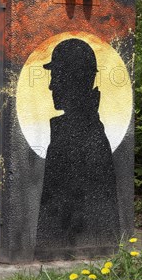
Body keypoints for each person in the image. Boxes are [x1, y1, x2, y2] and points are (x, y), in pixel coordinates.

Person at [35, 38, 120, 257]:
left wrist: (46, 253)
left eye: (55, 77)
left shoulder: (81, 136)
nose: (51, 85)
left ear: (73, 79)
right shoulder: (82, 129)